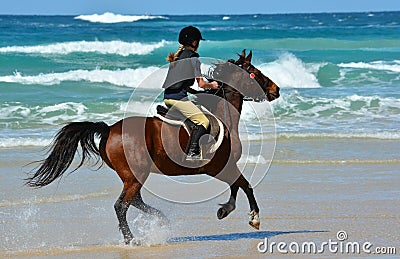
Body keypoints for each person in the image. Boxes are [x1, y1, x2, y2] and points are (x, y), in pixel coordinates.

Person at [162, 26, 219, 160]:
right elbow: (202, 84)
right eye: (198, 41)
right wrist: (213, 85)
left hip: (168, 98)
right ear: (194, 42)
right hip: (177, 99)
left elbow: (180, 83)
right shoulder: (194, 58)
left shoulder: (178, 57)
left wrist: (193, 92)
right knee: (203, 121)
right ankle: (192, 153)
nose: (198, 44)